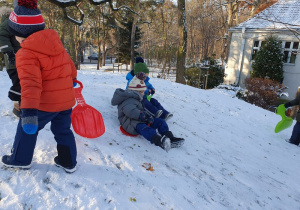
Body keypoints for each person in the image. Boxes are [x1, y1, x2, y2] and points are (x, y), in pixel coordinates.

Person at [1, 0, 78, 173]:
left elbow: (30, 85)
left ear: (21, 35)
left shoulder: (26, 53)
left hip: (45, 104)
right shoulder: (56, 43)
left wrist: (28, 112)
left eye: (14, 35)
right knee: (63, 130)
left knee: (26, 128)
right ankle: (68, 161)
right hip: (65, 102)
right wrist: (72, 80)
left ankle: (20, 159)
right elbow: (70, 66)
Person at [112, 73, 184, 152]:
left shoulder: (137, 98)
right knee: (144, 128)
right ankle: (159, 141)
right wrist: (143, 116)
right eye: (143, 91)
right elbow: (130, 111)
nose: (144, 93)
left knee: (160, 122)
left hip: (139, 119)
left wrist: (148, 116)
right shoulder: (129, 99)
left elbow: (141, 109)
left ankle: (170, 138)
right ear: (137, 91)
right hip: (130, 123)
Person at [0, 6, 21, 117]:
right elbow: (1, 36)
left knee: (20, 83)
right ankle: (18, 108)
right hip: (14, 61)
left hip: (16, 61)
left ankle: (18, 106)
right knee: (19, 84)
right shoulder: (8, 23)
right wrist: (9, 52)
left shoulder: (9, 23)